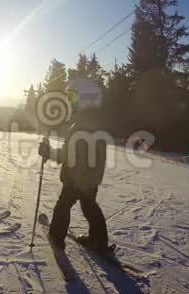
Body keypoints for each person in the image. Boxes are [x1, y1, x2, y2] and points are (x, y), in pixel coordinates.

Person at [38, 79, 113, 255]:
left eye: (72, 97)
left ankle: (57, 238)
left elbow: (69, 154)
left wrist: (49, 152)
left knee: (63, 206)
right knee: (89, 206)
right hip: (91, 177)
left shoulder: (82, 125)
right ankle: (98, 241)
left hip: (77, 177)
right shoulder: (92, 122)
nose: (69, 101)